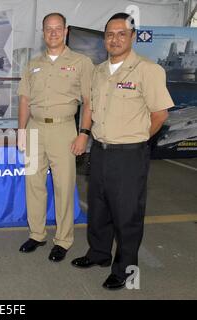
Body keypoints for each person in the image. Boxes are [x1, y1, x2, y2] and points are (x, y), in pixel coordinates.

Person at [71, 13, 173, 290]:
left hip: (129, 154)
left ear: (133, 37)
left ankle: (125, 268)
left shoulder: (148, 70)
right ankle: (99, 254)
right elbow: (90, 106)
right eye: (109, 34)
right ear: (104, 38)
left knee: (127, 215)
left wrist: (138, 141)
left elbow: (160, 114)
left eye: (121, 34)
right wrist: (86, 133)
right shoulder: (99, 70)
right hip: (101, 151)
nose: (114, 39)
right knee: (99, 208)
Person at [17, 13, 94, 262]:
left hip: (64, 130)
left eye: (57, 28)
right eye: (48, 29)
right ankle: (37, 234)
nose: (53, 33)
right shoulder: (32, 64)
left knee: (63, 186)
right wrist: (21, 131)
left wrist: (83, 134)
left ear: (66, 30)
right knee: (34, 184)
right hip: (34, 129)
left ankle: (63, 240)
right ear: (42, 32)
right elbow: (24, 100)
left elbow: (89, 101)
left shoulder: (81, 62)